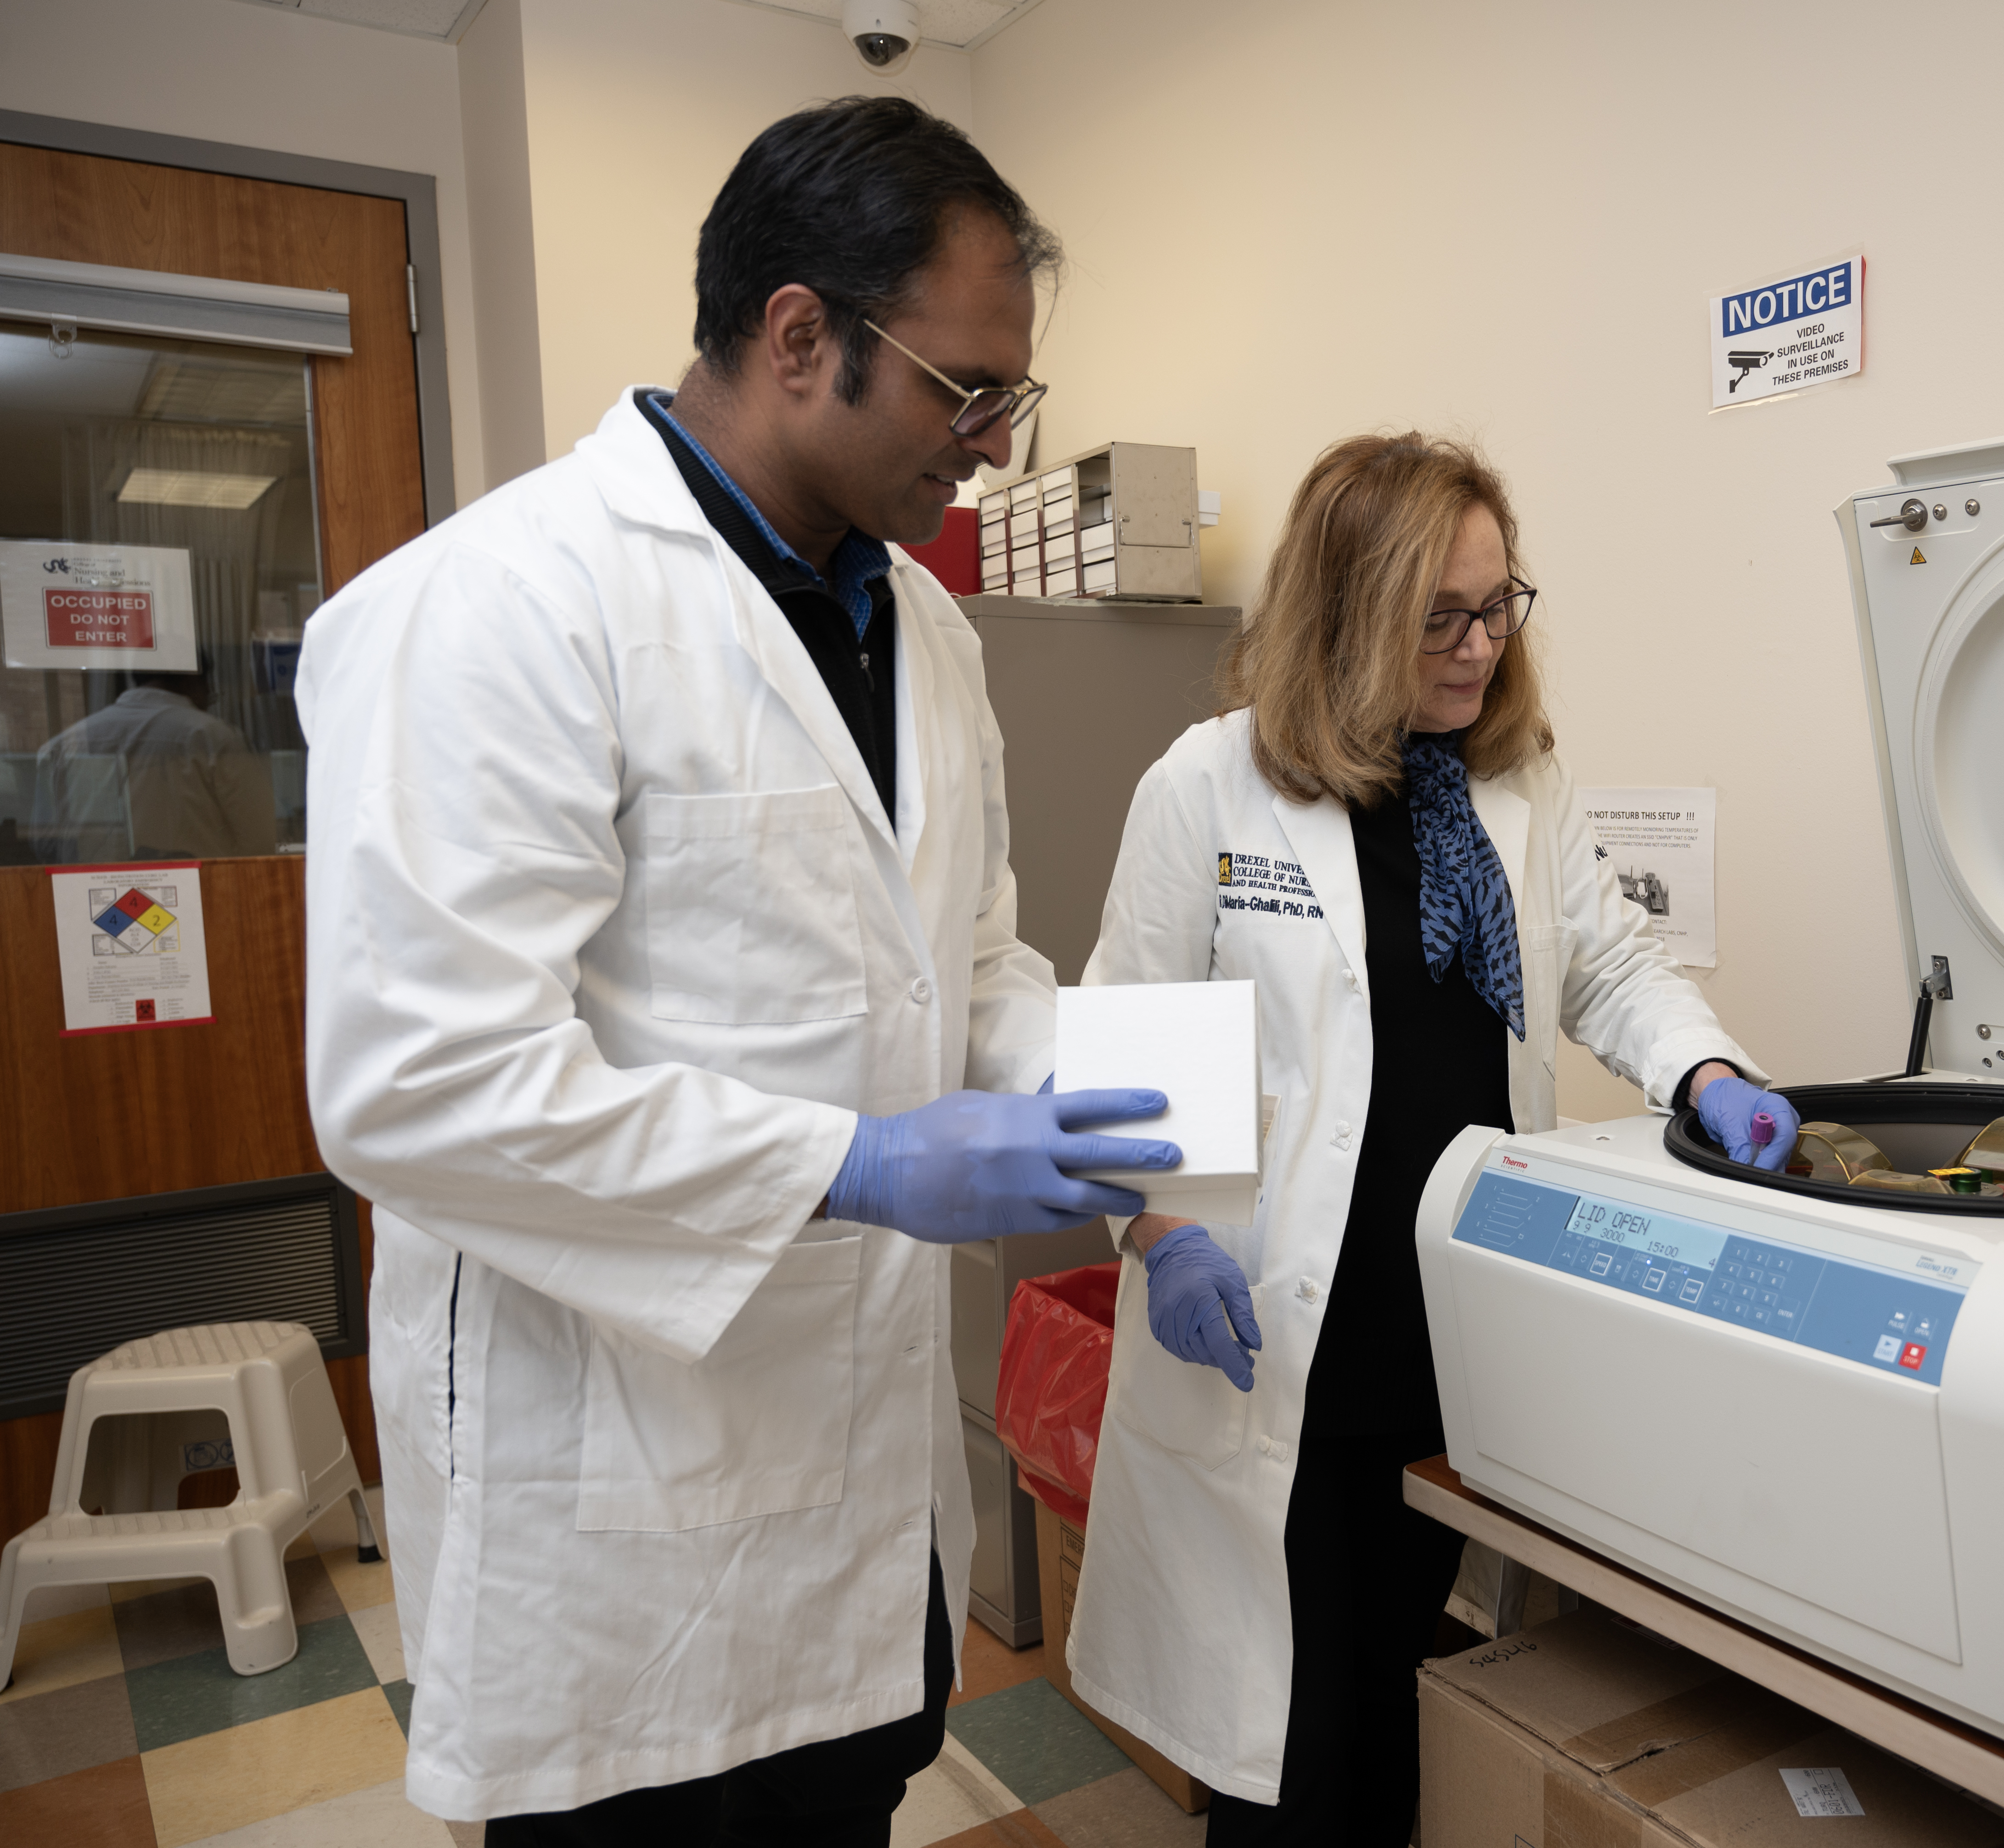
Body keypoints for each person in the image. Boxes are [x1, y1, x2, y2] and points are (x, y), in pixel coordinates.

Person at [299, 99, 1181, 1843]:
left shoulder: (922, 625)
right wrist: (856, 1160)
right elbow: (420, 1083)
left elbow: (976, 954)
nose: (992, 447)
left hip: (857, 1506)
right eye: (965, 390)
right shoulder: (501, 604)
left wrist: (1159, 1143)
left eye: (1015, 399)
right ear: (800, 336)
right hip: (619, 1516)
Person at [1066, 434, 1799, 1841]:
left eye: (1499, 605)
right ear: (1343, 617)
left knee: (1413, 1709)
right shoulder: (1210, 789)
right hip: (1273, 1340)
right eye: (1440, 618)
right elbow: (1129, 1061)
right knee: (1291, 1750)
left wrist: (1706, 1070)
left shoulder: (1516, 783)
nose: (1479, 648)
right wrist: (1156, 1237)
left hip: (1454, 1328)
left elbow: (1609, 965)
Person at [35, 664, 275, 859]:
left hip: (89, 898)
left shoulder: (65, 745)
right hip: (201, 895)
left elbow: (45, 844)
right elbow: (260, 838)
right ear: (195, 681)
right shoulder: (212, 737)